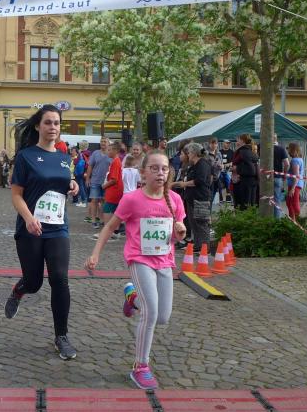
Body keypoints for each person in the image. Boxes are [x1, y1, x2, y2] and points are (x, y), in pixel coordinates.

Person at [85, 150, 186, 389]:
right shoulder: (132, 199)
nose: (160, 173)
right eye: (154, 168)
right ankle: (140, 367)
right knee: (150, 313)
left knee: (163, 317)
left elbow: (177, 234)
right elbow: (110, 227)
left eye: (164, 168)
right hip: (139, 259)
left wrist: (180, 232)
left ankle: (132, 298)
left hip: (164, 261)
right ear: (143, 173)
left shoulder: (175, 199)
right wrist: (95, 253)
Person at [3, 104, 80, 360]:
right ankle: (19, 290)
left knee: (60, 279)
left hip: (58, 228)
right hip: (31, 228)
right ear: (38, 126)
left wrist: (73, 184)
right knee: (34, 283)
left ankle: (62, 336)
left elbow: (62, 183)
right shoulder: (25, 156)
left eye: (56, 123)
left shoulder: (65, 157)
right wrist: (28, 218)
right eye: (48, 122)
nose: (53, 127)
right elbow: (16, 195)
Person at [174, 143, 212, 252]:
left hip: (200, 198)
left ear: (195, 153)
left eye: (189, 152)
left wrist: (185, 184)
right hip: (192, 198)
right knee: (194, 223)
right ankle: (198, 245)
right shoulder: (195, 165)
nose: (188, 155)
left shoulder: (202, 164)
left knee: (202, 223)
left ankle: (205, 248)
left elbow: (200, 180)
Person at [96, 142, 124, 239]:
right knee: (114, 211)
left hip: (114, 191)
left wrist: (104, 186)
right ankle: (115, 232)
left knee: (107, 209)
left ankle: (107, 232)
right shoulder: (116, 161)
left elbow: (114, 179)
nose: (107, 151)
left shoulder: (116, 162)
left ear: (115, 151)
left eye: (109, 150)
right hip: (116, 190)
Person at [86, 138, 111, 229]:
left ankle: (102, 219)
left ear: (108, 143)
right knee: (94, 200)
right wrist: (87, 178)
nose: (103, 143)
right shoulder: (95, 153)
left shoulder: (111, 154)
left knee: (104, 201)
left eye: (105, 142)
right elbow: (90, 166)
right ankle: (93, 220)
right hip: (95, 180)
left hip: (106, 182)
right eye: (101, 141)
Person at [231, 134, 259, 209]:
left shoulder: (242, 152)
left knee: (243, 205)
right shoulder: (251, 151)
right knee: (251, 204)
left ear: (242, 141)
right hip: (253, 182)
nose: (237, 141)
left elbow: (251, 169)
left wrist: (237, 168)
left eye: (238, 140)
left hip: (243, 182)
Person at [271, 135, 290, 217]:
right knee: (277, 200)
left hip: (265, 178)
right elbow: (287, 164)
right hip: (277, 177)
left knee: (265, 199)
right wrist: (284, 174)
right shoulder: (281, 149)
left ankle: (265, 219)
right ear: (276, 139)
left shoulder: (263, 148)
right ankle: (277, 220)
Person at [286, 142, 305, 221]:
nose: (288, 151)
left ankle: (298, 220)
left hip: (294, 185)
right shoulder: (300, 159)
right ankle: (293, 219)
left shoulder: (294, 160)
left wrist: (293, 188)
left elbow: (296, 175)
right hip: (297, 184)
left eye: (289, 149)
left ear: (293, 150)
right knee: (289, 202)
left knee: (294, 203)